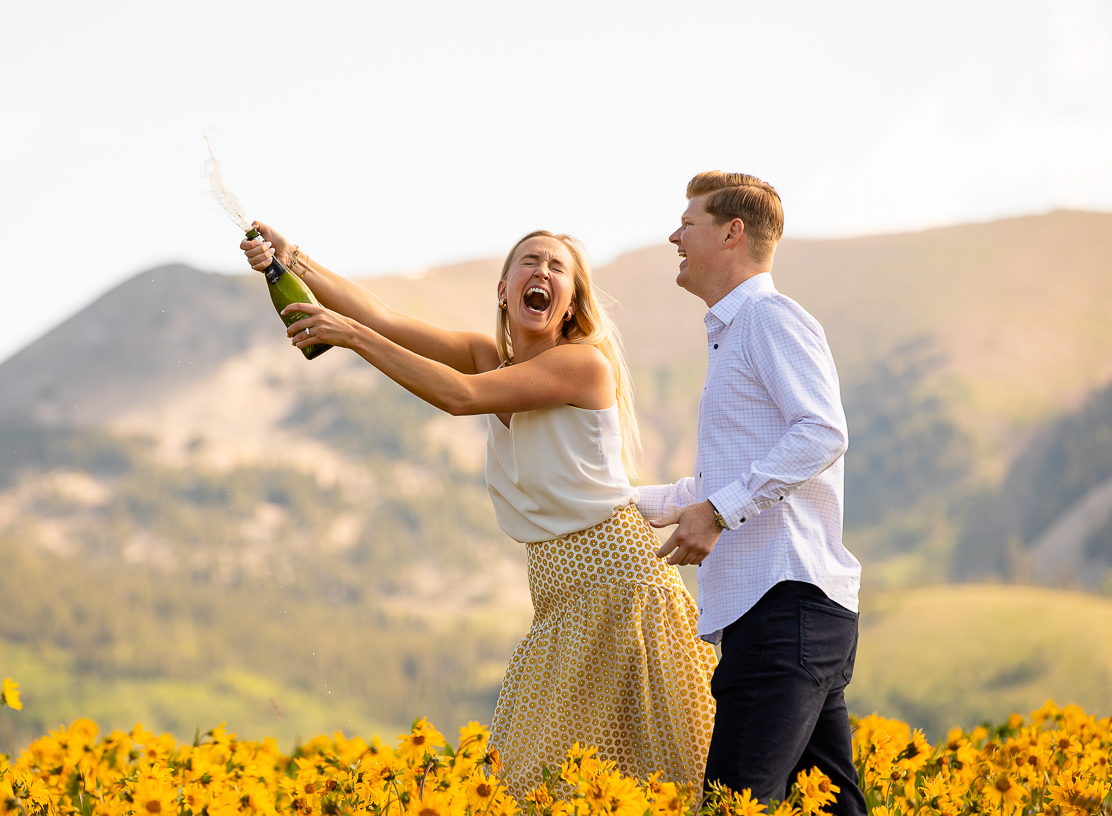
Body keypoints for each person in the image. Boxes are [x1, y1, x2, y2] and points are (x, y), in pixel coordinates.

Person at [239, 224, 716, 799]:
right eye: (529, 262)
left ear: (571, 304)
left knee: (650, 776)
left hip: (622, 584)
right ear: (503, 288)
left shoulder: (583, 365)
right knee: (538, 780)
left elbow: (459, 396)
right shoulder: (487, 356)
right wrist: (294, 261)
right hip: (561, 596)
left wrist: (351, 339)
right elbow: (386, 317)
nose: (542, 272)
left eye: (557, 268)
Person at [635, 172, 865, 814]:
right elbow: (715, 485)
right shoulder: (736, 333)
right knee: (831, 807)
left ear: (732, 232)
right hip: (786, 613)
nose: (674, 235)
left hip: (781, 611)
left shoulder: (768, 318)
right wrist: (621, 501)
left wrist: (716, 512)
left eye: (689, 221)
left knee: (734, 805)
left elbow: (822, 430)